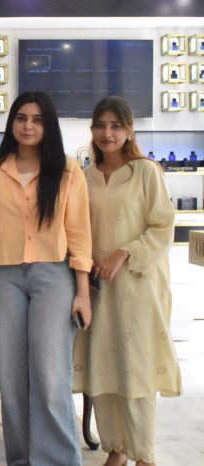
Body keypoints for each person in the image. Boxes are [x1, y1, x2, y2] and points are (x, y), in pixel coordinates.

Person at [0, 91, 92, 466]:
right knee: (11, 377)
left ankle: (58, 461)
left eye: (37, 120)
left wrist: (83, 292)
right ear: (12, 123)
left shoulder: (67, 171)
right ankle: (21, 460)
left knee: (51, 376)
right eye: (21, 118)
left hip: (53, 276)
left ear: (48, 125)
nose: (28, 126)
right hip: (3, 279)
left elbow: (80, 234)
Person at [73, 96, 182, 466]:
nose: (107, 133)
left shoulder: (146, 172)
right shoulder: (83, 177)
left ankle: (144, 455)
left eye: (116, 126)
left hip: (138, 288)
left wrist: (125, 252)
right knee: (104, 367)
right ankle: (116, 448)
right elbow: (77, 229)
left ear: (129, 131)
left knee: (136, 370)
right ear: (92, 130)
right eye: (100, 126)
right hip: (97, 290)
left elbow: (163, 226)